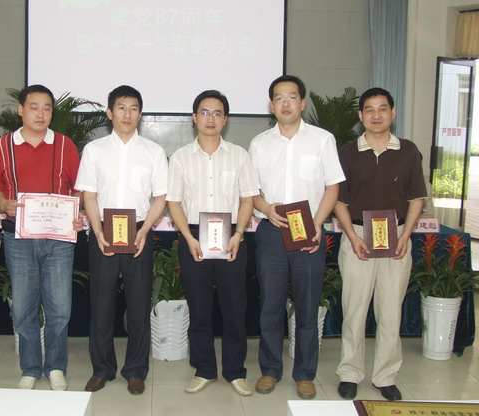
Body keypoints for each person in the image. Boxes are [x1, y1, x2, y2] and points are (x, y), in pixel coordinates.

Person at [248, 75, 345, 399]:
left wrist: (317, 223)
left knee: (307, 306)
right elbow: (250, 191)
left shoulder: (322, 140)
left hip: (310, 233)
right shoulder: (259, 143)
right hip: (271, 233)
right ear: (271, 105)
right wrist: (266, 207)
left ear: (302, 103)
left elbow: (332, 187)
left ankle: (305, 373)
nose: (285, 103)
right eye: (279, 98)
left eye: (291, 97)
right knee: (270, 307)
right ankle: (270, 370)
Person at [335, 88, 427, 401]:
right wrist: (352, 236)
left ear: (393, 112)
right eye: (370, 109)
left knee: (390, 312)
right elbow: (339, 201)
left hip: (397, 238)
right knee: (354, 310)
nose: (376, 115)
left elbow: (416, 199)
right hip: (358, 237)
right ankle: (350, 373)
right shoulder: (347, 152)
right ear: (360, 115)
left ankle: (385, 376)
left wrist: (405, 236)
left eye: (382, 108)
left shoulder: (408, 151)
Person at [75, 85, 168, 395]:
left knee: (139, 304)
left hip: (139, 232)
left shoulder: (153, 151)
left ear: (140, 114)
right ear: (109, 112)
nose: (127, 114)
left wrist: (145, 230)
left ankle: (136, 370)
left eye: (134, 108)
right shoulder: (94, 150)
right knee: (101, 303)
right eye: (121, 108)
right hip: (103, 232)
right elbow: (89, 194)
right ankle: (102, 369)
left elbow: (161, 197)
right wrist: (97, 229)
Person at [166, 90, 260, 396]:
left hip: (231, 236)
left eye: (217, 113)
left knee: (235, 308)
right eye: (205, 112)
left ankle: (235, 371)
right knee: (199, 308)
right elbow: (174, 202)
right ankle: (204, 369)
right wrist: (188, 238)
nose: (210, 119)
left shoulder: (239, 155)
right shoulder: (180, 157)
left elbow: (247, 199)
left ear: (225, 119)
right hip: (193, 236)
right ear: (194, 117)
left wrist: (239, 234)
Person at [0, 84, 81, 390]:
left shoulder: (65, 145)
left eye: (47, 108)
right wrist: (3, 203)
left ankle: (56, 366)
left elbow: (79, 187)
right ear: (21, 110)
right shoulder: (3, 146)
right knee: (23, 308)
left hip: (59, 240)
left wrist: (77, 212)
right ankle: (30, 367)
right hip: (18, 238)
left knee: (60, 308)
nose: (40, 114)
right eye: (34, 107)